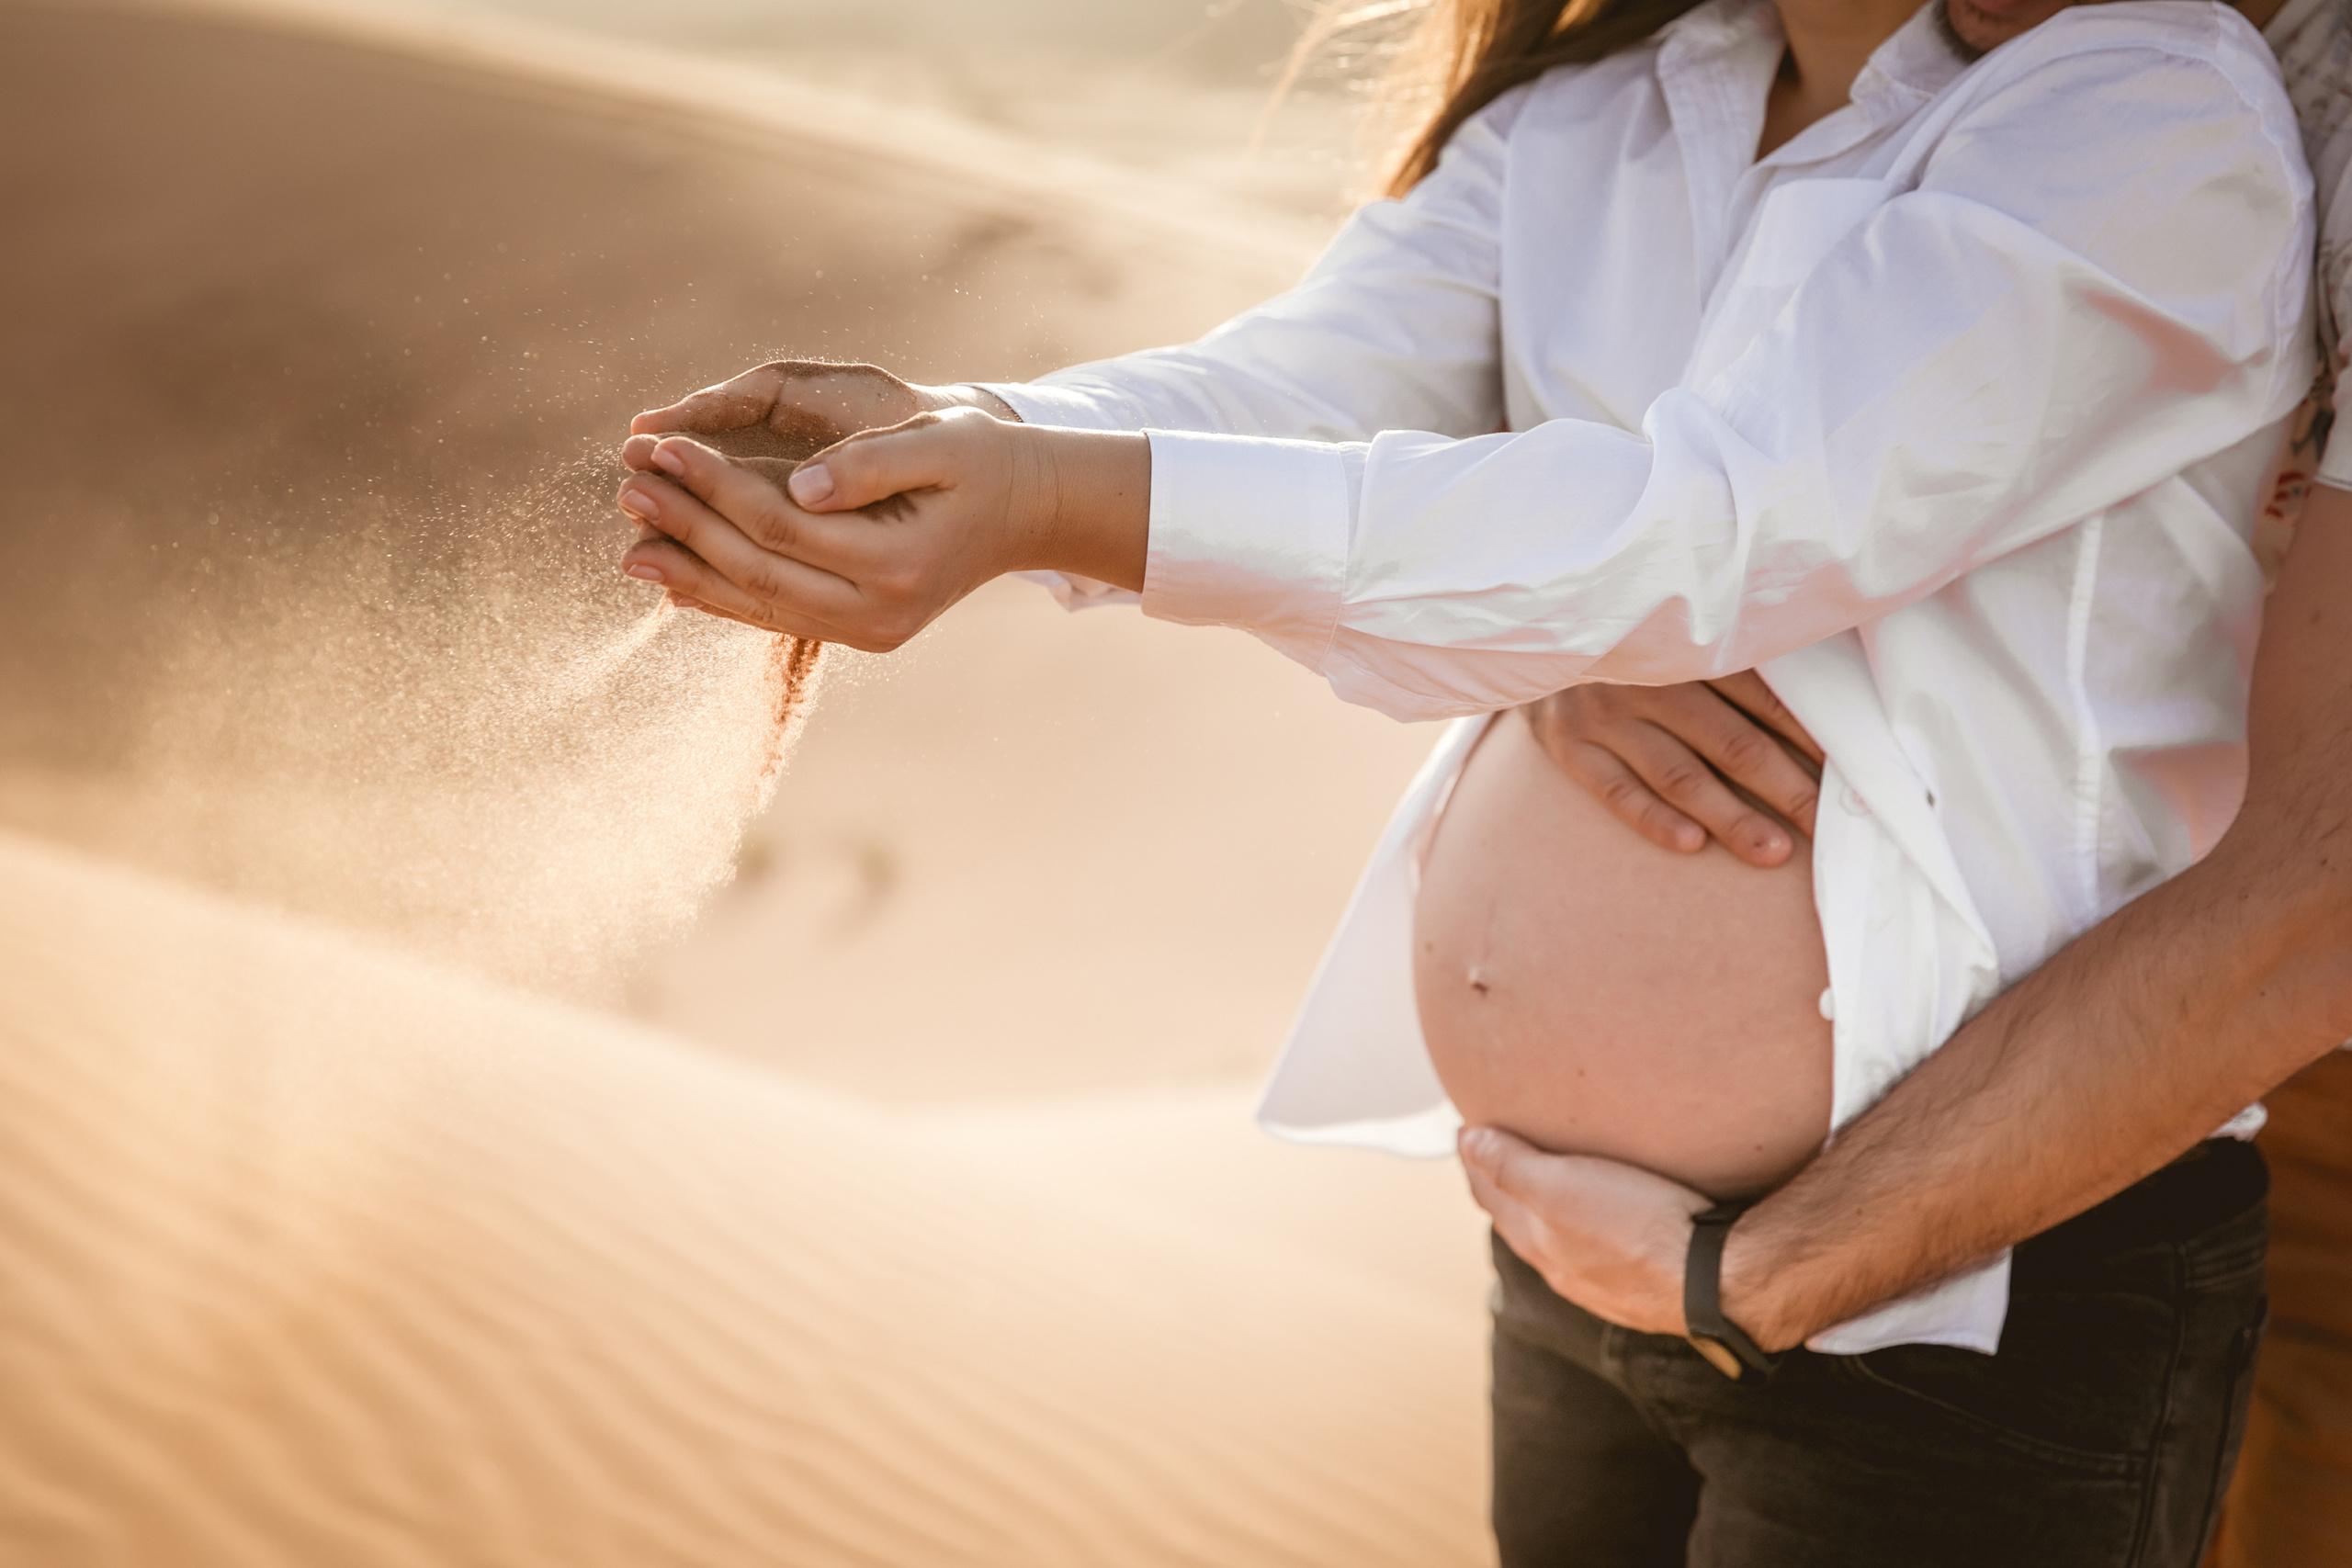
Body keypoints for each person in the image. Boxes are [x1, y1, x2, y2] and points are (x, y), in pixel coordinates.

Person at [610, 0, 2312, 1559]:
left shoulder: (2141, 119)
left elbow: (1709, 529)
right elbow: (1292, 387)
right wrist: (959, 435)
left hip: (1954, 1300)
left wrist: (1056, 500)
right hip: (1572, 1262)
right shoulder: (1601, 113)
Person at [1447, 4, 2352, 1561]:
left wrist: (1764, 1278)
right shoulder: (1798, 79)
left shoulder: (2220, 107)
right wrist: (1563, 611)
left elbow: (2321, 886)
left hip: (2106, 1159)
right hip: (1645, 1254)